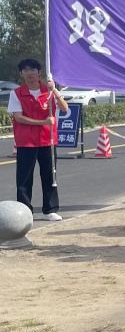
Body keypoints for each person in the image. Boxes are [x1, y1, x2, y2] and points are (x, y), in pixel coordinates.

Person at [10, 58, 68, 222]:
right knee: (24, 178)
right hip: (26, 142)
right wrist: (43, 122)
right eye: (26, 70)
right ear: (21, 74)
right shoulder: (17, 93)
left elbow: (64, 108)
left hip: (47, 140)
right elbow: (18, 117)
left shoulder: (48, 91)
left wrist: (54, 90)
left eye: (33, 70)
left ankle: (50, 209)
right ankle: (24, 211)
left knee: (50, 176)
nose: (30, 73)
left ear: (39, 72)